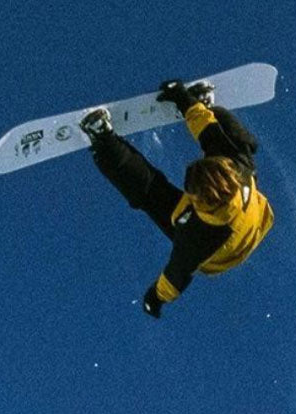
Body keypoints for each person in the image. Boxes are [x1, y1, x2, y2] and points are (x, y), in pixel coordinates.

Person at [79, 79, 274, 318]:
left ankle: (103, 138)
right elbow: (210, 134)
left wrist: (155, 298)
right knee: (236, 140)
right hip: (253, 219)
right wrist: (184, 99)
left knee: (150, 193)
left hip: (221, 256)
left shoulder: (196, 237)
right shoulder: (237, 164)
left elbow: (176, 275)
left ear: (197, 201)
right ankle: (203, 105)